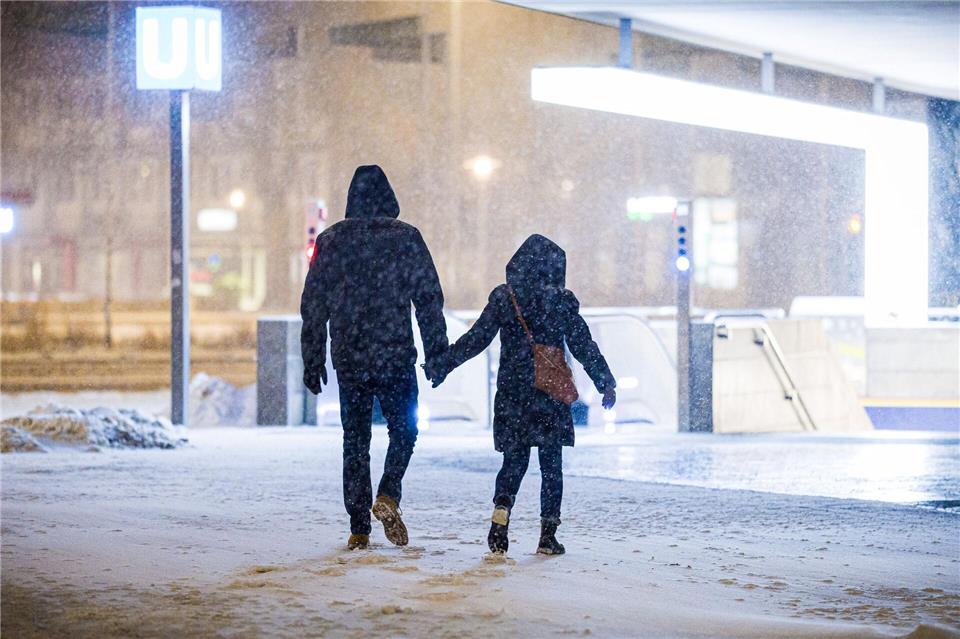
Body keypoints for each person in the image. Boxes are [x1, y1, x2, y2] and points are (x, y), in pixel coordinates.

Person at [426, 234, 615, 555]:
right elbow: (583, 344)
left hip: (514, 393)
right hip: (549, 393)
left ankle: (500, 522)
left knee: (514, 462)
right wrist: (604, 380)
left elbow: (477, 339)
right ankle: (547, 535)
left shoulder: (505, 298)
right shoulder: (561, 302)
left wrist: (443, 364)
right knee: (551, 466)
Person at [301, 165, 447, 550]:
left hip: (349, 354)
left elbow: (313, 304)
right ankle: (388, 492)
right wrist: (436, 353)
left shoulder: (331, 241)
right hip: (394, 352)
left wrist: (312, 357)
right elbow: (428, 300)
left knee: (355, 439)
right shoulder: (406, 238)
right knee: (405, 429)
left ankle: (358, 527)